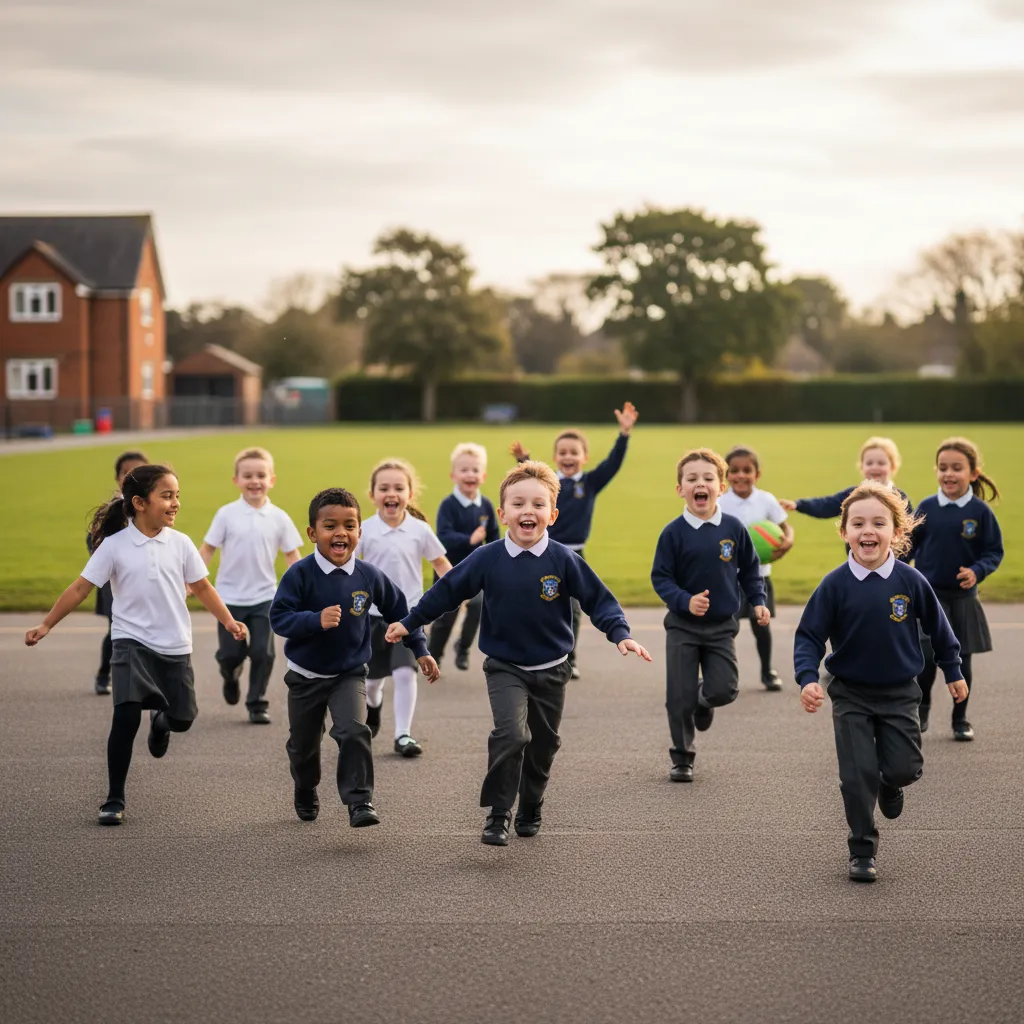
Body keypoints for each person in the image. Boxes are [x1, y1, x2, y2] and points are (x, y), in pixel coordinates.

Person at [386, 460, 651, 847]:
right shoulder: (487, 557)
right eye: (518, 504)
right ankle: (498, 813)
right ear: (503, 513)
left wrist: (620, 633)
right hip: (504, 667)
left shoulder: (562, 559)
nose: (528, 511)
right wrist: (410, 622)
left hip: (552, 669)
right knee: (511, 735)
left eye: (538, 505)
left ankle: (531, 802)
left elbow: (599, 599)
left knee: (543, 744)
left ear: (553, 514)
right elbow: (447, 591)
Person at [26, 465, 246, 826]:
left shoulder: (181, 543)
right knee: (125, 717)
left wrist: (227, 620)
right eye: (167, 496)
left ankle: (161, 722)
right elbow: (81, 587)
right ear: (140, 503)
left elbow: (203, 588)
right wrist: (47, 623)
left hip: (174, 645)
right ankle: (114, 797)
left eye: (177, 496)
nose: (175, 503)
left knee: (183, 719)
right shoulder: (114, 547)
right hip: (130, 642)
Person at [794, 482, 967, 883]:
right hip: (850, 693)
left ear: (897, 531)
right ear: (844, 532)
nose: (867, 531)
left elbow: (940, 630)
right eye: (857, 523)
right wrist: (807, 679)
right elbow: (808, 636)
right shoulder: (834, 585)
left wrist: (953, 670)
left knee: (904, 768)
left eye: (878, 523)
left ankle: (892, 782)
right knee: (856, 777)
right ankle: (862, 849)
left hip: (899, 692)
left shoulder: (910, 581)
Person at [270, 488, 438, 827]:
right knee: (303, 748)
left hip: (348, 674)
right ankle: (305, 787)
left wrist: (420, 650)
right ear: (312, 533)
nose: (341, 533)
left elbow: (402, 613)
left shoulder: (368, 576)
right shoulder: (300, 575)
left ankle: (360, 801)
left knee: (354, 731)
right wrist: (314, 620)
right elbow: (279, 617)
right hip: (305, 676)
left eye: (350, 525)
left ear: (360, 532)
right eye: (330, 526)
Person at [651, 449, 768, 783]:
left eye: (707, 478)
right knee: (678, 697)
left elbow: (750, 570)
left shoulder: (733, 528)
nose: (699, 484)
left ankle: (704, 700)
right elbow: (661, 578)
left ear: (721, 487)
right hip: (682, 627)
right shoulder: (672, 533)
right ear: (680, 489)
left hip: (720, 627)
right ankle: (682, 758)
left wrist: (758, 601)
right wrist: (685, 601)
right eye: (691, 479)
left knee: (725, 691)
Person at [510, 401, 638, 678]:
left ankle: (569, 658)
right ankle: (529, 652)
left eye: (574, 453)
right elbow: (531, 480)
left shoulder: (589, 483)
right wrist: (524, 460)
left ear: (584, 457)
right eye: (562, 453)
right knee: (537, 602)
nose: (568, 457)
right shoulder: (549, 484)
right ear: (555, 457)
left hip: (575, 555)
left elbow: (613, 464)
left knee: (573, 609)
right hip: (543, 553)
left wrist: (624, 435)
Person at [199, 446, 303, 725]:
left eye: (261, 475)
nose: (254, 481)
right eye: (247, 475)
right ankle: (229, 672)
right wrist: (193, 579)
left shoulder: (279, 517)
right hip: (229, 598)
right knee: (232, 653)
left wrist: (305, 585)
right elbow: (208, 548)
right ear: (236, 480)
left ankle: (257, 702)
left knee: (263, 652)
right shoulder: (226, 514)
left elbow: (292, 555)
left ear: (272, 480)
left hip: (264, 596)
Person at [356, 459, 451, 757]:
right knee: (371, 682)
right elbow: (347, 570)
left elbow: (440, 563)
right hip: (370, 620)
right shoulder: (363, 531)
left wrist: (456, 589)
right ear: (372, 495)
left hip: (409, 617)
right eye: (384, 488)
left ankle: (403, 735)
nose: (391, 493)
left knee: (405, 673)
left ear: (410, 494)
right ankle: (373, 708)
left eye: (399, 487)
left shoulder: (419, 530)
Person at [910, 437, 1003, 741]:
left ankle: (960, 718)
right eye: (942, 467)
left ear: (973, 473)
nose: (948, 474)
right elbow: (908, 546)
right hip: (929, 597)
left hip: (963, 597)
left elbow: (993, 552)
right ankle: (922, 708)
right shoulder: (926, 507)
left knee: (961, 660)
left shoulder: (979, 512)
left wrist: (977, 571)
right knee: (925, 656)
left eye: (957, 468)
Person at [717, 445, 794, 690]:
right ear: (725, 475)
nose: (740, 475)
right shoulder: (720, 502)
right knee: (730, 626)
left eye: (747, 470)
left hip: (760, 577)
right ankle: (723, 674)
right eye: (734, 470)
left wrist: (788, 540)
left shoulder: (766, 500)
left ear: (757, 474)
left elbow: (785, 527)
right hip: (730, 578)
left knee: (760, 624)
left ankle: (767, 671)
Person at [428, 442, 500, 671]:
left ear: (484, 475)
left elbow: (495, 536)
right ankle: (434, 654)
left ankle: (464, 647)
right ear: (453, 475)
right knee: (446, 616)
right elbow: (443, 536)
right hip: (448, 568)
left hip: (475, 570)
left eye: (475, 470)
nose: (470, 474)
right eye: (465, 470)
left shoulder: (486, 506)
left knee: (479, 605)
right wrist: (468, 540)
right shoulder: (448, 506)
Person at [89, 449, 148, 694]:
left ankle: (141, 678)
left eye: (138, 473)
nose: (131, 477)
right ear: (117, 478)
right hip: (115, 582)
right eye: (126, 473)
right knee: (117, 628)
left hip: (142, 582)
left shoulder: (150, 508)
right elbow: (93, 541)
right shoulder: (113, 511)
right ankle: (105, 673)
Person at [780, 436, 913, 532]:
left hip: (892, 565)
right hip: (858, 563)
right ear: (861, 467)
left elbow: (911, 533)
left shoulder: (900, 498)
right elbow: (826, 505)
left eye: (881, 463)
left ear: (893, 466)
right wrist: (799, 505)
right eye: (869, 463)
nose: (874, 467)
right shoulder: (853, 495)